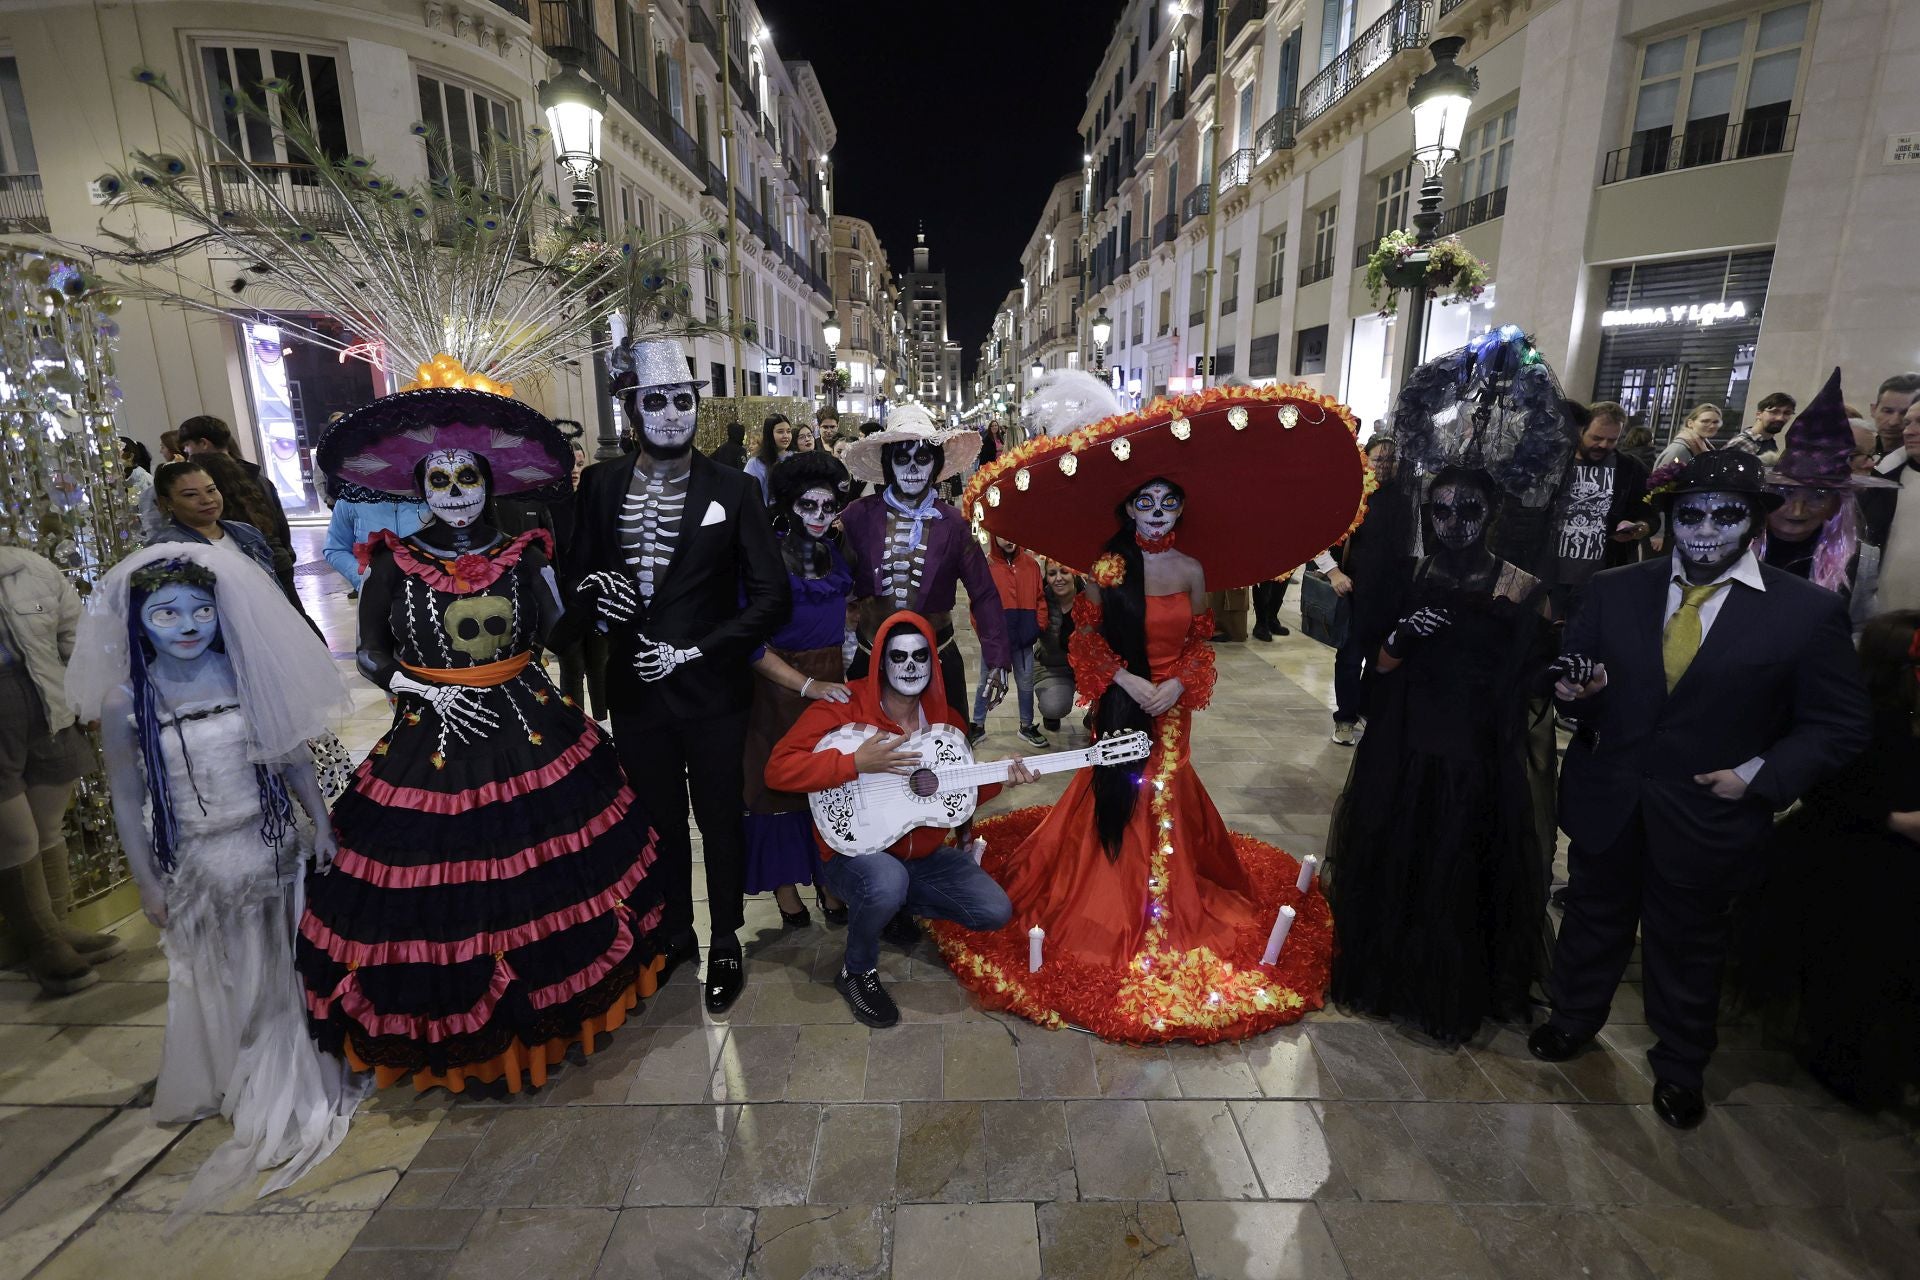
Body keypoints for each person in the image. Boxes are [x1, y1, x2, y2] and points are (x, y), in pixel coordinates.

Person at [928, 382, 1367, 1042]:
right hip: (1124, 702)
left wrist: (1177, 685)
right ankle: (1116, 901)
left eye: (1167, 502)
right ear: (1129, 506)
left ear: (1179, 508)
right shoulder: (1107, 567)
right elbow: (1087, 640)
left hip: (1174, 706)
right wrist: (1132, 684)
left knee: (1170, 787)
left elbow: (1196, 642)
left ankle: (1172, 892)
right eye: (1145, 501)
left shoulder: (1192, 570)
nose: (1156, 511)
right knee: (1124, 788)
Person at [300, 383, 666, 1094]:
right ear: (420, 487)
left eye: (468, 476)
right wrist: (422, 690)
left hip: (529, 721)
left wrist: (590, 603)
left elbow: (557, 636)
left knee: (552, 870)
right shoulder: (390, 560)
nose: (456, 490)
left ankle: (555, 1016)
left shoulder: (525, 551)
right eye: (440, 479)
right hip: (432, 731)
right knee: (441, 882)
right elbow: (372, 653)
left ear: (489, 481)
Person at [1533, 449, 1870, 1129]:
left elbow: (1839, 723)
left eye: (1726, 514)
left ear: (1753, 523)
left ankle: (1682, 1064)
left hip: (1708, 814)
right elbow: (1581, 685)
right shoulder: (1616, 587)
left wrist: (1756, 776)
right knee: (1594, 918)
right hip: (1612, 797)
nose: (1706, 529)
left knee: (1687, 945)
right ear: (1671, 520)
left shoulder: (1803, 613)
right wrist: (1578, 694)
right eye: (1691, 514)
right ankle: (1572, 1020)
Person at [69, 543, 361, 1212]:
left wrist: (320, 823)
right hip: (199, 861)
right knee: (224, 975)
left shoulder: (242, 672)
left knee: (282, 972)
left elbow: (290, 761)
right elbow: (124, 796)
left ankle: (290, 1066)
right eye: (166, 613)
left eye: (201, 610)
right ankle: (233, 1065)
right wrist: (145, 881)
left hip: (272, 848)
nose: (188, 625)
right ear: (137, 621)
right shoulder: (125, 701)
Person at [559, 337, 790, 1015]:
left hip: (715, 692)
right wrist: (595, 598)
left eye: (681, 400)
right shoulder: (600, 484)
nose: (668, 414)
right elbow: (579, 574)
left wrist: (700, 649)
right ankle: (674, 933)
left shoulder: (735, 489)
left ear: (698, 408)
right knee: (656, 821)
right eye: (654, 402)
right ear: (633, 410)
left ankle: (725, 940)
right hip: (634, 690)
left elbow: (772, 597)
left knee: (720, 819)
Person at [1326, 467, 1554, 1044]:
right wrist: (1401, 640)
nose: (1454, 524)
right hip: (1406, 741)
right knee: (1401, 851)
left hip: (1477, 748)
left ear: (1494, 512)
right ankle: (1395, 977)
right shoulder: (1405, 576)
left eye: (1470, 510)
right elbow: (1374, 668)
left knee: (1464, 858)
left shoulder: (1520, 586)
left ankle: (1456, 985)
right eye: (1442, 511)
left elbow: (1533, 681)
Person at [765, 611, 1034, 1027]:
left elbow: (954, 794)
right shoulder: (843, 705)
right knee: (886, 881)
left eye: (920, 656)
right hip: (850, 857)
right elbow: (778, 771)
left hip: (919, 857)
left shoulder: (947, 724)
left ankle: (890, 907)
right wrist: (854, 762)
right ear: (880, 662)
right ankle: (857, 970)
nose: (910, 667)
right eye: (898, 657)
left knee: (992, 910)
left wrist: (1001, 777)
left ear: (933, 661)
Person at [1729, 610, 1920, 1110]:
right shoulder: (1862, 718)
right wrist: (1897, 820)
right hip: (1845, 858)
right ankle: (1845, 1060)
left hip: (1891, 862)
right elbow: (1829, 787)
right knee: (1850, 966)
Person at [0, 545, 122, 997]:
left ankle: (57, 926)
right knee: (16, 838)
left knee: (48, 828)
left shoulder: (28, 566)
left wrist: (89, 693)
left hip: (46, 706)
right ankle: (43, 943)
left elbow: (74, 635)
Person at [839, 404, 1011, 725]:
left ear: (935, 464)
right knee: (870, 757)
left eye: (923, 458)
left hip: (937, 659)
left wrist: (998, 656)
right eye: (902, 458)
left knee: (946, 753)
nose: (913, 468)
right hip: (870, 658)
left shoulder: (955, 524)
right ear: (889, 464)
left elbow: (984, 593)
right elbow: (830, 579)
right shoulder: (857, 515)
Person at [742, 452, 856, 929]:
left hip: (830, 685)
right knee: (775, 790)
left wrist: (844, 657)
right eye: (808, 506)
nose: (818, 517)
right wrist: (807, 684)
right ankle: (787, 892)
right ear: (789, 505)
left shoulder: (837, 554)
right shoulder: (765, 555)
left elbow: (846, 612)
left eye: (827, 507)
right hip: (778, 692)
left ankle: (828, 881)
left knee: (826, 783)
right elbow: (749, 644)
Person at [1753, 370, 1894, 617]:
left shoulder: (1859, 561)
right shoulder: (1729, 545)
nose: (1797, 510)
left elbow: (1857, 626)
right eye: (1785, 493)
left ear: (1837, 505)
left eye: (1818, 495)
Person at [1329, 434, 1417, 745]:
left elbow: (1411, 548)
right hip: (1357, 591)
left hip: (1393, 592)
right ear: (1365, 459)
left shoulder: (1406, 499)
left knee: (1381, 658)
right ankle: (1345, 718)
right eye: (1379, 459)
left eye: (1391, 460)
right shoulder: (1354, 494)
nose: (1385, 465)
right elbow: (1324, 539)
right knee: (1350, 659)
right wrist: (1334, 572)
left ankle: (1368, 710)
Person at [1544, 400, 1652, 625]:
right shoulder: (1553, 462)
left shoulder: (1630, 469)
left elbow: (1648, 512)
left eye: (1612, 440)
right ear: (1581, 430)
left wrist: (1640, 528)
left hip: (1601, 576)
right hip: (1548, 573)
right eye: (1596, 437)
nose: (1603, 445)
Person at [148, 459, 302, 614]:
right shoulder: (168, 547)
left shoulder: (246, 532)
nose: (207, 500)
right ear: (166, 502)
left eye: (211, 490)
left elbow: (272, 585)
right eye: (191, 495)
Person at [175, 414, 294, 562]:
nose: (186, 452)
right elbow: (280, 524)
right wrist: (287, 554)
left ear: (204, 443)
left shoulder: (206, 481)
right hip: (277, 558)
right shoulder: (258, 477)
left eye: (187, 446)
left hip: (243, 562)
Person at [969, 535, 1047, 749]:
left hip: (1024, 639)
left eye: (1012, 534)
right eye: (1002, 535)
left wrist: (1037, 626)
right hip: (995, 641)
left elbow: (1040, 598)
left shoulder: (1031, 565)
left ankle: (1026, 725)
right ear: (994, 536)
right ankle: (977, 724)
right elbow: (976, 605)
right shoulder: (987, 566)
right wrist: (986, 637)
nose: (1009, 539)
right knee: (986, 682)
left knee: (1025, 683)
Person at [320, 480, 428, 600]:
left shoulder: (433, 491)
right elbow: (336, 548)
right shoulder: (352, 494)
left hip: (429, 594)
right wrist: (364, 578)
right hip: (374, 598)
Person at [1863, 395, 1920, 616]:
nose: (1908, 431)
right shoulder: (1883, 481)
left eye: (1919, 423)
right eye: (1908, 423)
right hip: (1886, 619)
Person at [1033, 560, 1080, 735]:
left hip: (1088, 665)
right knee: (1054, 706)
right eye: (1052, 574)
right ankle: (1052, 713)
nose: (1058, 578)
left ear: (1074, 573)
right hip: (1052, 665)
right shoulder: (1040, 599)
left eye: (1064, 572)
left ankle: (1095, 714)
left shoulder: (1091, 595)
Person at [1722, 391, 1795, 461]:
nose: (1780, 418)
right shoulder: (1741, 443)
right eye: (1774, 412)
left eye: (1787, 413)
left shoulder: (1769, 442)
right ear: (1759, 414)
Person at [1653, 402, 1723, 471]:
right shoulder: (1680, 450)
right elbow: (1661, 479)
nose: (1712, 426)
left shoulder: (1702, 446)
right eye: (1705, 421)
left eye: (1715, 422)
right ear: (1690, 423)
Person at [1869, 373, 1920, 460]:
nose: (1893, 422)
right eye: (1888, 411)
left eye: (1905, 413)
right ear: (1873, 410)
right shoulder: (1853, 452)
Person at [744, 413, 793, 502]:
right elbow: (750, 496)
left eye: (788, 431)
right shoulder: (755, 463)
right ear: (769, 434)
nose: (786, 436)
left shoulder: (795, 458)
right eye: (780, 432)